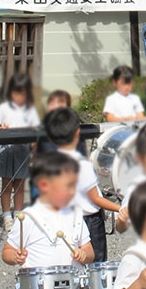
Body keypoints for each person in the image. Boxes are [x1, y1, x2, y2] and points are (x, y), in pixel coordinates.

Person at [45, 107, 120, 262]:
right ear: (77, 133)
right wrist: (121, 208)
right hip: (89, 221)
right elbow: (95, 198)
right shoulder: (81, 164)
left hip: (64, 219)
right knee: (96, 267)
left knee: (71, 263)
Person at [2, 152, 94, 268]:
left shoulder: (75, 215)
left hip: (73, 282)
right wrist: (14, 256)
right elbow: (7, 250)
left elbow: (89, 249)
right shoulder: (28, 218)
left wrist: (84, 254)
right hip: (39, 284)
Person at [0, 73, 40, 232]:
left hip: (23, 151)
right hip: (7, 151)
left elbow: (36, 132)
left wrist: (34, 146)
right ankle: (6, 216)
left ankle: (19, 214)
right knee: (7, 184)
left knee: (20, 184)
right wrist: (1, 130)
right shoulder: (3, 108)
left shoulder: (31, 111)